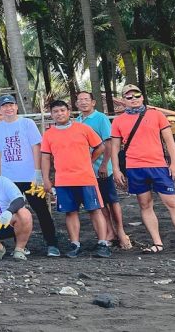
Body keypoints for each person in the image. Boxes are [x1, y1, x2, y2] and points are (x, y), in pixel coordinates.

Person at [109, 84, 175, 254]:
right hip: (134, 168)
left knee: (172, 202)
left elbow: (169, 141)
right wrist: (116, 169)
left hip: (158, 166)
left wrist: (174, 162)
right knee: (145, 205)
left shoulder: (156, 115)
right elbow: (115, 148)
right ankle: (157, 243)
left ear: (142, 97)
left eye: (136, 95)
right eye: (128, 97)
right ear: (123, 101)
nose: (133, 99)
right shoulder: (118, 121)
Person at [0, 94, 60, 257]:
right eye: (4, 106)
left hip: (29, 176)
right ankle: (19, 245)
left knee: (41, 210)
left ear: (16, 106)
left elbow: (36, 148)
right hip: (9, 179)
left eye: (11, 105)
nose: (8, 108)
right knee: (12, 213)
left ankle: (52, 244)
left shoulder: (27, 123)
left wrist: (37, 172)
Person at [41, 100, 112, 258]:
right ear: (51, 114)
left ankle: (102, 243)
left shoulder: (83, 128)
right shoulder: (49, 134)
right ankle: (75, 244)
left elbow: (100, 146)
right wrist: (46, 178)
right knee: (70, 212)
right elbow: (45, 157)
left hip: (86, 178)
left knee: (95, 210)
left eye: (62, 110)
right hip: (63, 180)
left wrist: (90, 160)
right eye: (56, 111)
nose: (59, 114)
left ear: (68, 111)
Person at [76, 91, 131, 249]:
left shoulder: (100, 118)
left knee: (112, 201)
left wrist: (104, 164)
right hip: (87, 171)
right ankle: (110, 232)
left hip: (101, 168)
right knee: (100, 203)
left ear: (93, 102)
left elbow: (109, 143)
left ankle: (121, 232)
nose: (84, 102)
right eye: (80, 100)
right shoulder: (78, 120)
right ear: (76, 104)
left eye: (87, 99)